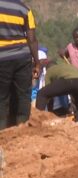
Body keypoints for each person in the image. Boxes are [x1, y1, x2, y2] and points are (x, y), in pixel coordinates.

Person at [0, 0, 40, 129]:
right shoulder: (24, 9)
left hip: (2, 58)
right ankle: (22, 129)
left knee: (2, 96)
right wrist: (37, 63)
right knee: (23, 95)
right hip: (22, 58)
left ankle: (2, 132)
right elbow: (32, 39)